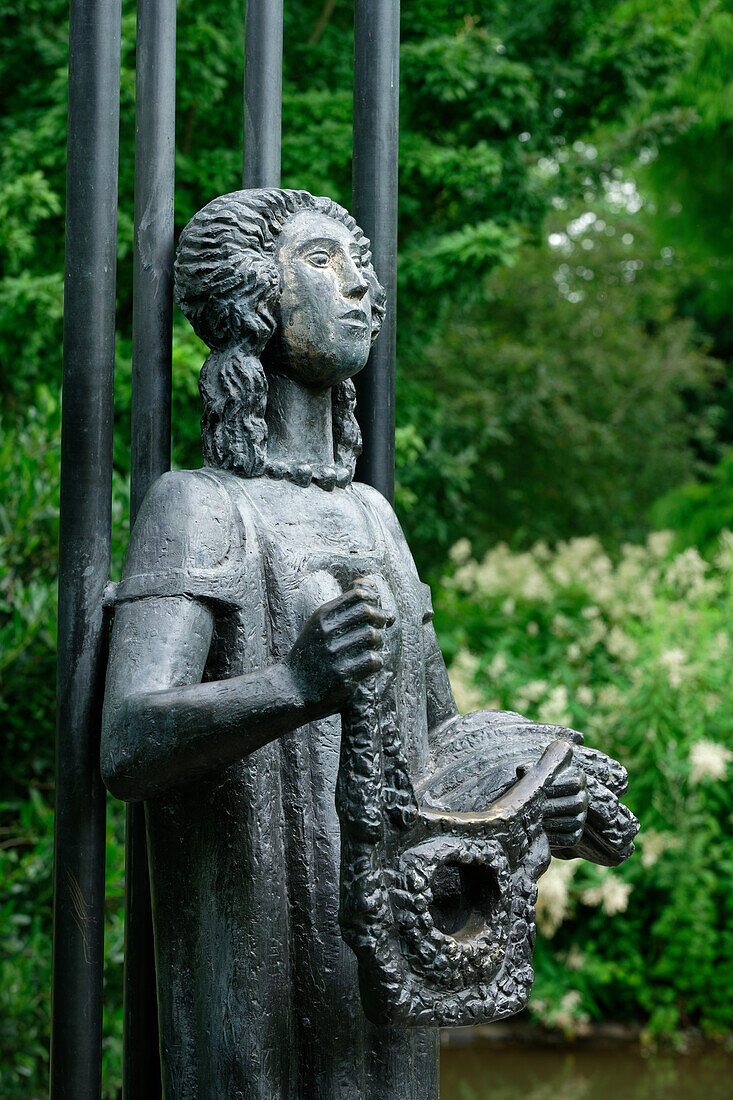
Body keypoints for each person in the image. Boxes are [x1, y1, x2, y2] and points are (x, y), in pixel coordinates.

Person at [101, 189, 636, 1099]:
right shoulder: (197, 505)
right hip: (251, 988)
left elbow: (434, 752)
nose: (365, 288)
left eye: (364, 266)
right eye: (323, 262)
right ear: (253, 298)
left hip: (382, 979)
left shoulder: (372, 518)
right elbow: (126, 740)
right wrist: (293, 683)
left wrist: (533, 796)